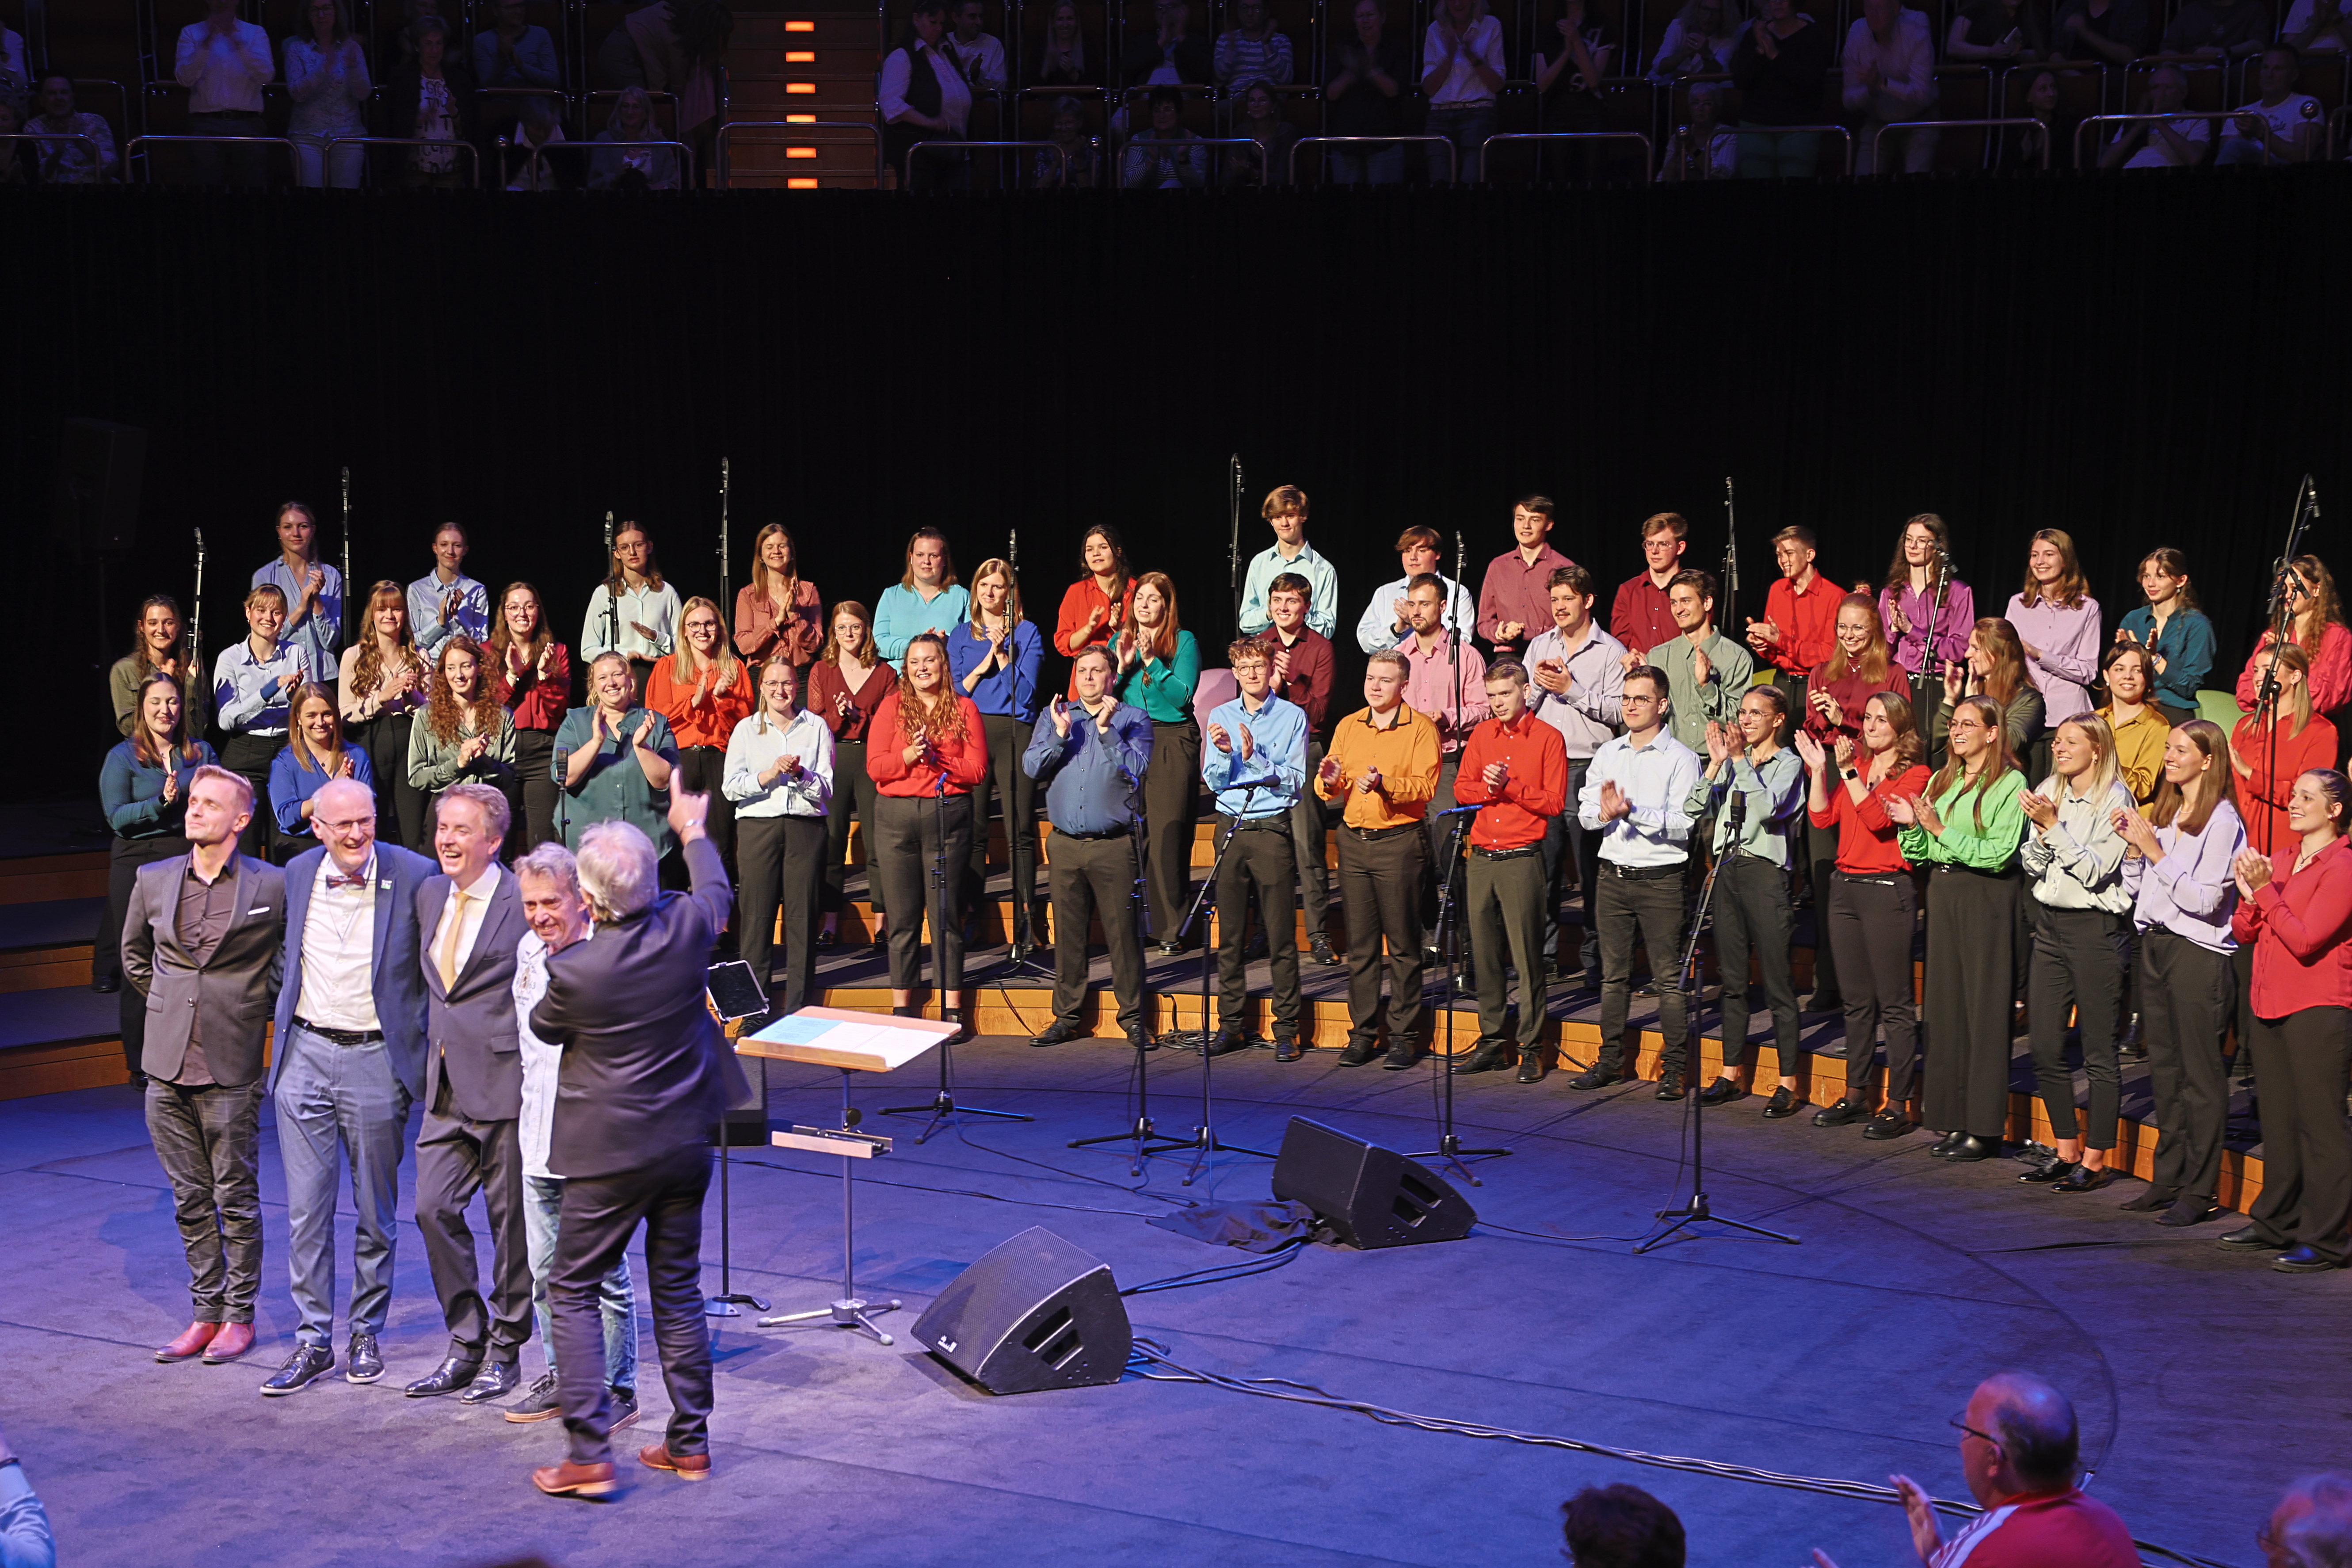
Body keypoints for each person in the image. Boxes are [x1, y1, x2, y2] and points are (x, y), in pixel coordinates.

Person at [526, 788, 747, 1497]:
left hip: (609, 1154)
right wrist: (691, 826)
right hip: (685, 1140)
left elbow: (544, 1027)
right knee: (677, 1286)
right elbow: (713, 887)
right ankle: (690, 1441)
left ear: (587, 898)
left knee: (572, 1284)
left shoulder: (576, 972)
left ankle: (589, 1451)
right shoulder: (685, 923)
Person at [256, 777, 434, 1396]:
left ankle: (366, 1328)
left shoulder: (415, 872)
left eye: (366, 820)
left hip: (374, 1055)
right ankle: (313, 1339)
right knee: (306, 1209)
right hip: (304, 1050)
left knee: (374, 1208)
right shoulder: (299, 871)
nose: (357, 833)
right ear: (318, 829)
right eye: (344, 825)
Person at [122, 765, 286, 1367]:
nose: (195, 811)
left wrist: (244, 1004)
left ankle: (239, 1315)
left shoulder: (271, 884)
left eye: (210, 804)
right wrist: (169, 1002)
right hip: (166, 1064)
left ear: (240, 819)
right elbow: (135, 956)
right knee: (190, 1197)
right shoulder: (154, 877)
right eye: (193, 801)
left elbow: (285, 960)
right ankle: (204, 1310)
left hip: (230, 1059)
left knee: (236, 1196)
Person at [501, 843, 641, 1431]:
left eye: (550, 900)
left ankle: (618, 1387)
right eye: (530, 902)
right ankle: (563, 1375)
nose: (539, 913)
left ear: (580, 896)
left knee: (603, 1272)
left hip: (596, 1143)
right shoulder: (528, 949)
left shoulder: (611, 954)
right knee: (545, 1270)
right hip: (538, 1136)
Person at [408, 782, 532, 1401]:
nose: (447, 839)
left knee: (509, 1224)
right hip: (445, 1083)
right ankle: (466, 1338)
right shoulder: (431, 892)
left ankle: (507, 1347)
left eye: (460, 829)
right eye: (442, 828)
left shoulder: (519, 899)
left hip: (506, 1081)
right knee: (433, 1207)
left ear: (493, 839)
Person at [2114, 720, 2243, 1223]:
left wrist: (2154, 853)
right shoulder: (2168, 810)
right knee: (2164, 1071)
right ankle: (2165, 1178)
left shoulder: (2223, 819)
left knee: (2200, 1078)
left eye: (2179, 749)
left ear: (2207, 760)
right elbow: (2138, 891)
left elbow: (2206, 901)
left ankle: (2198, 1188)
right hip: (2157, 946)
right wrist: (2132, 849)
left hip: (2198, 955)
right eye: (2166, 748)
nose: (2168, 756)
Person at [1888, 695, 2026, 1164]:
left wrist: (1940, 829)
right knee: (1946, 1008)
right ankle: (1951, 1117)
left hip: (1985, 895)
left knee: (1982, 1010)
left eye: (1968, 724)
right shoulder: (1944, 778)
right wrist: (1912, 826)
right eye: (1954, 724)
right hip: (1944, 892)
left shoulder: (2010, 783)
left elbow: (1999, 851)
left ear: (1992, 732)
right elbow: (1923, 849)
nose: (1957, 730)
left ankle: (1983, 1128)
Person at [2224, 768, 2352, 1270]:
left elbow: (2305, 939)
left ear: (2334, 809)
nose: (2293, 803)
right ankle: (2275, 1221)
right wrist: (2250, 895)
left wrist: (2265, 895)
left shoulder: (2341, 866)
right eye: (2293, 795)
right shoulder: (2277, 860)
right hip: (2268, 1001)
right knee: (2277, 1120)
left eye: (2305, 796)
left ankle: (2325, 1239)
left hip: (2317, 1005)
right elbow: (2243, 930)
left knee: (2320, 1124)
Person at [1811, 1373, 2136, 1568]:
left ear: (1994, 1458)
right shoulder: (2109, 1524)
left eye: (1966, 1430)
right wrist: (1942, 1557)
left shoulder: (1986, 1547)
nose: (1960, 1442)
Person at [1794, 691, 1931, 1133]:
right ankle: (1855, 1094)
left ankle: (1898, 1102)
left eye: (1880, 720)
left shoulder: (1914, 773)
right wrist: (1818, 771)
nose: (1869, 726)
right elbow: (1821, 818)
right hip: (1844, 887)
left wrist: (1848, 770)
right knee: (1855, 1003)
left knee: (1893, 1002)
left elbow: (1877, 821)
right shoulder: (1860, 768)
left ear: (1899, 728)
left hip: (1885, 889)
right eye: (1867, 718)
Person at [2015, 715, 2135, 1192]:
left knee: (2099, 1052)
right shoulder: (2051, 786)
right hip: (2050, 928)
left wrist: (2052, 827)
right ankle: (2064, 1146)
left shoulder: (2115, 801)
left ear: (2096, 749)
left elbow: (2094, 872)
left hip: (2095, 931)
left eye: (2069, 742)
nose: (2058, 748)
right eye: (2057, 741)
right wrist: (2042, 836)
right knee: (2043, 1045)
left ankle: (2094, 1157)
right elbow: (2029, 860)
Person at [1571, 666, 1699, 1095]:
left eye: (1639, 699)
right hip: (1613, 875)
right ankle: (1610, 1061)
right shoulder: (1609, 753)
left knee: (1667, 978)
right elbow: (1587, 809)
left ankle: (1675, 1070)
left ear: (1662, 704)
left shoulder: (1682, 758)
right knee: (1613, 976)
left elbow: (1684, 824)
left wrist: (1632, 813)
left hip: (1661, 880)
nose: (1629, 706)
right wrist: (1604, 814)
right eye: (1625, 698)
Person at [1024, 646, 1157, 1050]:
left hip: (1113, 846)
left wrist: (1105, 730)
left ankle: (1134, 1018)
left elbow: (1137, 769)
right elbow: (1032, 767)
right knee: (1068, 935)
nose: (1088, 677)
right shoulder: (1055, 716)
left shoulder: (1134, 718)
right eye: (1081, 670)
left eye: (1097, 670)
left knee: (1123, 935)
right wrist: (1060, 735)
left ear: (1111, 677)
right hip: (1064, 844)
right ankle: (1066, 1017)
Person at [1444, 661, 1570, 1080]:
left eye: (1505, 694)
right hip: (1481, 857)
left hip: (1521, 857)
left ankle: (1532, 1046)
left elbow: (1554, 803)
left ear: (1525, 691)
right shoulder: (1481, 735)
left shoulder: (1549, 738)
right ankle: (1494, 1041)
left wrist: (1509, 787)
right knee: (1484, 955)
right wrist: (1487, 788)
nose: (1497, 702)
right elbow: (1462, 788)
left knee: (1527, 957)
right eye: (1492, 695)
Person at [1689, 687, 1809, 1113]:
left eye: (1757, 713)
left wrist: (1739, 762)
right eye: (1742, 712)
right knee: (1733, 981)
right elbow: (1692, 809)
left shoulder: (1789, 764)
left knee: (1777, 984)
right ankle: (1730, 1072)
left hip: (1764, 873)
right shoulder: (1732, 764)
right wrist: (1717, 762)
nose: (1746, 719)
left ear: (1778, 720)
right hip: (1727, 869)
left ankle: (1788, 1082)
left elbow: (1763, 811)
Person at [1317, 650, 1439, 1067]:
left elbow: (1425, 786)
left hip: (1399, 843)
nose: (1374, 686)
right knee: (1362, 946)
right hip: (1353, 841)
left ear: (1403, 685)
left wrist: (1386, 785)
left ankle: (1404, 1035)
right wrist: (1328, 781)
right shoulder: (1349, 725)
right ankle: (1363, 1033)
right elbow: (1329, 783)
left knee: (1403, 945)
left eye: (1385, 680)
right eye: (1371, 677)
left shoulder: (1420, 728)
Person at [867, 632, 988, 1035]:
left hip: (947, 815)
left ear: (943, 665)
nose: (922, 667)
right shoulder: (891, 708)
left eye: (930, 660)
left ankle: (952, 1009)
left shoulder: (965, 709)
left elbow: (977, 772)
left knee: (946, 917)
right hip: (896, 817)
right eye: (914, 661)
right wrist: (909, 755)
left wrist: (940, 758)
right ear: (906, 668)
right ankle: (903, 1009)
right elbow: (876, 768)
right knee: (902, 920)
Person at [100, 673, 220, 1068]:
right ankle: (139, 1061)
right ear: (142, 709)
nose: (165, 710)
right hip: (138, 858)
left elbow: (221, 798)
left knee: (190, 961)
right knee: (141, 961)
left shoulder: (200, 753)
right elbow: (117, 818)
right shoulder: (122, 757)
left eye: (171, 702)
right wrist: (160, 803)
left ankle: (190, 1051)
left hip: (188, 858)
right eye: (155, 702)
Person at [1799, 595, 1910, 1013]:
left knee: (1865, 876)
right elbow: (1812, 727)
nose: (1848, 636)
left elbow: (1898, 732)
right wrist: (1824, 718)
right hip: (1828, 769)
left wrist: (1844, 719)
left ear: (1876, 630)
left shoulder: (1893, 674)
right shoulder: (1821, 672)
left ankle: (1876, 988)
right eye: (1842, 628)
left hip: (1870, 772)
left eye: (1858, 628)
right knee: (1827, 876)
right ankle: (1829, 981)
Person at [1200, 639, 1310, 1057]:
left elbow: (1295, 783)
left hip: (1270, 829)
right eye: (1243, 666)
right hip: (1231, 825)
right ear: (1235, 670)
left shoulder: (1291, 717)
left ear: (1270, 669)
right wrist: (1228, 754)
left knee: (1280, 935)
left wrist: (1254, 758)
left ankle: (1286, 1030)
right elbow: (1213, 780)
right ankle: (1231, 1026)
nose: (1250, 673)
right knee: (1229, 935)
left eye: (1258, 665)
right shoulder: (1221, 715)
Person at [1525, 564, 1626, 984]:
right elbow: (1522, 707)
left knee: (1589, 869)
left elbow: (1621, 711)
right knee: (1543, 867)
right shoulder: (1538, 645)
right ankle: (1545, 955)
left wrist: (1571, 689)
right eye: (1554, 600)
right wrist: (1536, 689)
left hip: (1589, 765)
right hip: (1543, 767)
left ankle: (1594, 957)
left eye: (1568, 599)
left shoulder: (1611, 652)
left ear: (1587, 601)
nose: (1560, 607)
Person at [723, 662, 834, 1021]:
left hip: (805, 828)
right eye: (771, 683)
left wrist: (801, 774)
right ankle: (752, 1013)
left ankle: (801, 1011)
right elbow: (730, 787)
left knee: (802, 919)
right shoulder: (745, 729)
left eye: (786, 683)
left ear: (796, 686)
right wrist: (767, 774)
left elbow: (827, 788)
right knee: (756, 921)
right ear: (762, 688)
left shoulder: (816, 726)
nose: (779, 690)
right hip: (758, 827)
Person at [949, 559, 1045, 956]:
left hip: (1014, 732)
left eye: (998, 587)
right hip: (972, 731)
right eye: (983, 585)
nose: (990, 593)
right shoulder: (959, 635)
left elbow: (1025, 696)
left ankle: (1027, 920)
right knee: (971, 829)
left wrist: (1003, 652)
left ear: (1010, 594)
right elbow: (954, 693)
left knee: (1019, 829)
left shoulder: (1027, 632)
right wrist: (983, 660)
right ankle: (973, 914)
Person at [1399, 573, 1490, 937]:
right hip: (1406, 765)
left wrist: (1447, 718)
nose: (1417, 611)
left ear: (1442, 608)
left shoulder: (1464, 655)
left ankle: (1471, 943)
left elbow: (1484, 709)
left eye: (1424, 604)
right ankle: (1424, 941)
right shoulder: (1398, 657)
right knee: (1410, 856)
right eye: (1412, 604)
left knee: (1447, 851)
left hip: (1448, 763)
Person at [1116, 572, 1202, 953]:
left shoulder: (1183, 641)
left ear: (1166, 606)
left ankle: (1172, 927)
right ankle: (1139, 921)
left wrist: (1151, 659)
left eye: (1153, 599)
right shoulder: (1119, 641)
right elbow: (1103, 693)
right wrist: (1122, 666)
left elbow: (1182, 696)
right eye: (1140, 598)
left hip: (1171, 738)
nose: (1144, 605)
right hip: (1129, 737)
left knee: (1168, 832)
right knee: (1134, 832)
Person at [1258, 572, 1337, 965]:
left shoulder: (1320, 648)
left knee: (1307, 843)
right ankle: (1265, 931)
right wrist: (1268, 685)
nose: (1283, 608)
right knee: (1264, 841)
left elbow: (1320, 711)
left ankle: (1318, 933)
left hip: (1305, 749)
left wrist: (1292, 681)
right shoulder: (1260, 645)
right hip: (1264, 751)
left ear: (1305, 606)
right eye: (1277, 600)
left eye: (1291, 601)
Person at [647, 597, 754, 875]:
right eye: (694, 624)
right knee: (676, 848)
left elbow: (746, 725)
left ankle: (723, 919)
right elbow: (656, 720)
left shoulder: (735, 668)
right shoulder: (667, 667)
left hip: (720, 760)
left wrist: (720, 698)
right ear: (683, 630)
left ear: (719, 628)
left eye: (709, 624)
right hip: (679, 760)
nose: (702, 631)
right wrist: (694, 703)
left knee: (721, 849)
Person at [809, 602, 892, 945]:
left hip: (872, 757)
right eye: (842, 628)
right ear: (833, 631)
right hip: (835, 756)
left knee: (877, 843)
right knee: (832, 841)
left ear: (866, 629)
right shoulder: (822, 670)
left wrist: (858, 714)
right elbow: (812, 724)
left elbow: (893, 722)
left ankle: (882, 924)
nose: (849, 634)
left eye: (855, 627)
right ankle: (829, 924)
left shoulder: (885, 673)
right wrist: (837, 715)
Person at [215, 584, 316, 861]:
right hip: (246, 752)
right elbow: (226, 720)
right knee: (244, 844)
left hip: (287, 749)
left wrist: (297, 698)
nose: (268, 618)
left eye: (276, 612)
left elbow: (312, 709)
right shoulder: (230, 658)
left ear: (285, 617)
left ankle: (285, 903)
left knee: (286, 842)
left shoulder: (296, 654)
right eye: (261, 610)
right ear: (248, 613)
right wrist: (268, 691)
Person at [556, 652, 680, 865]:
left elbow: (665, 781)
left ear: (630, 680)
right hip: (589, 848)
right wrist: (596, 741)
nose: (611, 683)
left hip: (647, 846)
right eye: (603, 678)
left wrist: (641, 747)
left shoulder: (657, 722)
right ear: (593, 686)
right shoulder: (574, 721)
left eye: (617, 675)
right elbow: (563, 776)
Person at [409, 634, 522, 854]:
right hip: (444, 814)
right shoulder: (425, 717)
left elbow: (509, 778)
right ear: (443, 673)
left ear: (478, 668)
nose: (459, 675)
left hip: (486, 816)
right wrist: (458, 763)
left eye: (465, 667)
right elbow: (416, 777)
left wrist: (485, 762)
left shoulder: (502, 716)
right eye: (451, 668)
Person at [2005, 528, 2102, 781]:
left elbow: (2089, 671)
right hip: (2026, 716)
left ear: (2066, 560)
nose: (2040, 562)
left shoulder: (2088, 609)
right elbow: (2005, 661)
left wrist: (2039, 654)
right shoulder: (2018, 605)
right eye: (2035, 555)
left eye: (2049, 554)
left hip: (2066, 715)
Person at [340, 580, 430, 854]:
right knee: (371, 826)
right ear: (372, 614)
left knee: (413, 832)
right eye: (382, 609)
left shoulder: (419, 656)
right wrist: (381, 697)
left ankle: (417, 892)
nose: (390, 616)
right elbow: (344, 714)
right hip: (369, 743)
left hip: (410, 745)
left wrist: (411, 699)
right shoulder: (354, 656)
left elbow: (433, 714)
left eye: (397, 609)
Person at [488, 582, 572, 854]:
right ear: (504, 612)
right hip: (502, 751)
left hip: (543, 749)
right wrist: (512, 675)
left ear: (539, 611)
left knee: (542, 837)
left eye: (529, 606)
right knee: (501, 835)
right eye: (513, 607)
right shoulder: (489, 651)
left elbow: (559, 710)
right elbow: (490, 706)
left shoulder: (557, 651)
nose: (521, 613)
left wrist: (545, 676)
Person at [2234, 641, 2337, 855]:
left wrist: (2249, 774)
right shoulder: (2245, 726)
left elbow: (2309, 798)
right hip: (2232, 842)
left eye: (2267, 670)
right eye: (2256, 670)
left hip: (2278, 849)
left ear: (2295, 676)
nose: (2258, 677)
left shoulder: (2320, 732)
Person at [1881, 512, 1974, 740]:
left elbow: (1959, 649)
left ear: (1938, 546)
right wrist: (1894, 632)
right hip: (1898, 684)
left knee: (1932, 751)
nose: (1912, 546)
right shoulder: (1891, 593)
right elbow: (1880, 653)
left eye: (1922, 541)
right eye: (1909, 539)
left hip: (1938, 687)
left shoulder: (1958, 592)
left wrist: (1911, 631)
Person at [2234, 555, 2351, 732]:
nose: (2287, 595)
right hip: (2272, 728)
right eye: (2283, 588)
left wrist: (2291, 655)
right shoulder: (2273, 635)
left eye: (2294, 588)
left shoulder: (2337, 637)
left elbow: (2330, 697)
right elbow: (2245, 691)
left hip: (2314, 730)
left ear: (2317, 590)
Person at [269, 683, 377, 863]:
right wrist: (331, 790)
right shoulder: (285, 762)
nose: (320, 723)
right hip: (302, 848)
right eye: (311, 716)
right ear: (298, 719)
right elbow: (287, 817)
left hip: (348, 844)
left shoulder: (356, 755)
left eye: (327, 714)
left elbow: (368, 807)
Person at [1647, 569, 1752, 755]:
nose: (1678, 610)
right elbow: (1654, 719)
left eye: (1686, 601)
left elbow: (1738, 722)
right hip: (1672, 762)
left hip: (1721, 766)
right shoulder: (1658, 657)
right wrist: (1642, 686)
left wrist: (1706, 686)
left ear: (1707, 603)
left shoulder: (1737, 658)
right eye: (1674, 603)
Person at [175, 0, 275, 187]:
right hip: (205, 126)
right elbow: (184, 79)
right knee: (206, 193)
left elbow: (266, 76)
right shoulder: (191, 33)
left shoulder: (255, 33)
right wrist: (207, 42)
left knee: (254, 191)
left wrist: (238, 43)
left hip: (248, 125)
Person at [254, 501, 343, 705]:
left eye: (302, 526)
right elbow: (264, 634)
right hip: (282, 675)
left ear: (312, 531)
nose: (296, 533)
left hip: (323, 676)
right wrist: (302, 607)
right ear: (279, 531)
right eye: (288, 527)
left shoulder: (330, 575)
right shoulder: (265, 576)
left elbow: (331, 641)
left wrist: (317, 601)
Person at [581, 520, 682, 700]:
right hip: (620, 679)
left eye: (638, 545)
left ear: (649, 547)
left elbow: (684, 647)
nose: (632, 552)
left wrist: (656, 637)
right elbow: (588, 650)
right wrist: (625, 655)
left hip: (661, 676)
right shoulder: (604, 594)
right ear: (617, 553)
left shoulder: (666, 593)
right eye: (625, 548)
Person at [1731, 0, 1830, 177]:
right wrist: (1761, 51)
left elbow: (1810, 81)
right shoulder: (1753, 34)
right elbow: (1740, 80)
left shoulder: (1814, 35)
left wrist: (1775, 55)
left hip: (1800, 127)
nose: (1777, 2)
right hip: (1756, 125)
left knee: (1793, 195)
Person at [2114, 547, 2213, 723]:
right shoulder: (2133, 620)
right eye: (2146, 576)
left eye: (2160, 577)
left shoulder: (2197, 625)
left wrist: (2154, 659)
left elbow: (2189, 687)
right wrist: (2123, 657)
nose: (2151, 584)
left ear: (2181, 581)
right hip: (2132, 704)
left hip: (2170, 709)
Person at [881, 0, 973, 189]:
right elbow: (890, 104)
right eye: (933, 22)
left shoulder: (946, 51)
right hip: (922, 155)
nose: (939, 29)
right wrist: (929, 122)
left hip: (954, 151)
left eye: (942, 23)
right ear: (916, 19)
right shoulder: (902, 57)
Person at [1748, 525, 1837, 711]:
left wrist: (1780, 640)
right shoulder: (1777, 590)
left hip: (1817, 687)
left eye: (1789, 553)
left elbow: (1830, 654)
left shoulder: (1834, 596)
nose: (1782, 561)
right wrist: (1761, 644)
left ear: (1810, 555)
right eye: (1779, 555)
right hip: (1782, 684)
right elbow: (1773, 652)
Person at [385, 16, 482, 187]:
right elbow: (391, 123)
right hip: (414, 169)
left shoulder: (459, 79)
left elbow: (471, 125)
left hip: (452, 169)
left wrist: (455, 114)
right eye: (428, 43)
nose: (434, 50)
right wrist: (416, 119)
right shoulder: (401, 77)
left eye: (439, 43)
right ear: (417, 46)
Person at [1477, 496, 1576, 662]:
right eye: (1520, 519)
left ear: (1549, 524)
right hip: (1508, 658)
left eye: (1535, 520)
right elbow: (1484, 622)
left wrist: (1526, 634)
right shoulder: (1498, 566)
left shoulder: (1563, 568)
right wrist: (1501, 632)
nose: (1526, 526)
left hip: (1552, 655)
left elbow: (1573, 621)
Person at [1843, 0, 1937, 173]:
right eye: (1870, 9)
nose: (1874, 15)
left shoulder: (1916, 33)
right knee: (1861, 184)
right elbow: (1848, 101)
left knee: (1917, 183)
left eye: (1880, 9)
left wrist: (1883, 83)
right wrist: (1870, 90)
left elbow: (1921, 95)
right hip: (1878, 121)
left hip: (1920, 120)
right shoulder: (1857, 34)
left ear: (1896, 9)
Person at [1326, 0, 1413, 185]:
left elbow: (1396, 91)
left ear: (1383, 18)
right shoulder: (1342, 51)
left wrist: (1369, 70)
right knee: (1348, 208)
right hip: (1346, 143)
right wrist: (1349, 75)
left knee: (1384, 208)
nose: (1366, 20)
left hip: (1385, 144)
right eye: (1361, 16)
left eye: (1370, 15)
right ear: (1355, 20)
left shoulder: (1397, 51)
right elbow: (1329, 94)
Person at [1237, 485, 1339, 640]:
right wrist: (1270, 613)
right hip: (1264, 652)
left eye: (1290, 516)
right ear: (1271, 521)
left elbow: (1327, 629)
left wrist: (1298, 613)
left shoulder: (1323, 569)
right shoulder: (1259, 563)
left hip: (1304, 653)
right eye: (1278, 517)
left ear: (1303, 517)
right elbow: (1245, 622)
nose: (1284, 523)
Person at [286, 0, 369, 187]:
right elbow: (297, 93)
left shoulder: (352, 48)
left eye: (326, 8)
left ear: (337, 12)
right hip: (307, 137)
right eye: (315, 10)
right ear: (308, 16)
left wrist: (354, 69)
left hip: (347, 136)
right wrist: (324, 67)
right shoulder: (297, 49)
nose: (321, 15)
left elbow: (364, 94)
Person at [1939, 617, 2046, 763]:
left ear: (1998, 653)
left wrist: (1975, 708)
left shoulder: (2027, 699)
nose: (1967, 655)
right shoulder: (1973, 690)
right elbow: (1939, 747)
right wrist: (1950, 700)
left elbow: (2008, 743)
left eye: (1976, 649)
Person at [1421, 0, 1504, 179]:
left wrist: (1472, 56)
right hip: (1439, 118)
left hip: (1478, 114)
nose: (1458, 3)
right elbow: (1429, 88)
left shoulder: (1491, 25)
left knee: (1470, 185)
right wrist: (1450, 57)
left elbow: (1497, 85)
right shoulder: (1434, 29)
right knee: (1438, 186)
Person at [1357, 526, 1474, 654]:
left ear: (1437, 554)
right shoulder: (1385, 593)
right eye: (1407, 551)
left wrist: (1417, 621)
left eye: (1421, 551)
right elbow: (1365, 641)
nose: (1413, 557)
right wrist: (1396, 630)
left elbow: (1462, 642)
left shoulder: (1457, 592)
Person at [110, 595, 210, 742]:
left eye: (169, 623)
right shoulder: (124, 669)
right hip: (143, 756)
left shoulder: (190, 667)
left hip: (183, 754)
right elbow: (128, 727)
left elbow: (196, 731)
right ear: (142, 627)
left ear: (178, 626)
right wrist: (160, 685)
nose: (161, 630)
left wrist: (191, 685)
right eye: (153, 623)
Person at [732, 523, 824, 680]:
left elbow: (815, 644)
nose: (776, 551)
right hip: (761, 677)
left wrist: (794, 616)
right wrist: (776, 622)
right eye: (770, 547)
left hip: (801, 678)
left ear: (791, 552)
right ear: (761, 555)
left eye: (782, 546)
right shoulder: (748, 595)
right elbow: (744, 646)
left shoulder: (809, 591)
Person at [873, 527, 971, 664]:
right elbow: (879, 642)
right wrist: (918, 646)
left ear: (944, 560)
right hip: (900, 680)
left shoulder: (961, 596)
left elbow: (972, 643)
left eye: (934, 556)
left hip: (946, 679)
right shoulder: (891, 596)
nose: (927, 561)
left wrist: (945, 642)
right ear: (911, 558)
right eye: (920, 555)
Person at [1056, 524, 1134, 692]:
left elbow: (1145, 641)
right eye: (1090, 549)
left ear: (1118, 552)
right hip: (1087, 685)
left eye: (1103, 547)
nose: (1096, 553)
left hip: (1128, 682)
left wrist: (1119, 629)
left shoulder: (1136, 591)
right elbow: (1064, 644)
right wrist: (1089, 628)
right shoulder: (1076, 592)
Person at [2219, 45, 2323, 163]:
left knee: (2237, 145)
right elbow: (2226, 153)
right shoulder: (2241, 112)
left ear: (2294, 75)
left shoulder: (2306, 105)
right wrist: (2245, 136)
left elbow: (2302, 156)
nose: (2269, 75)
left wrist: (2260, 132)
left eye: (2278, 69)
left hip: (2284, 170)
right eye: (2265, 67)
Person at [2097, 642, 2169, 804]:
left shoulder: (2157, 726)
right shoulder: (2094, 720)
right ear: (2107, 676)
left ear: (2148, 678)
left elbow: (2143, 788)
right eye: (2119, 669)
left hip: (2128, 816)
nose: (2128, 676)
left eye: (2137, 670)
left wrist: (2104, 762)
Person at [2100, 64, 2211, 169]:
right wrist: (2136, 129)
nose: (2160, 93)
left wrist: (2159, 121)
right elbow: (2105, 164)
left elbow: (2194, 159)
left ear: (2183, 93)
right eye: (2155, 87)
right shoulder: (2135, 120)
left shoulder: (2196, 120)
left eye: (2168, 87)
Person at [1609, 511, 1687, 659]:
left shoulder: (1693, 590)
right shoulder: (1628, 590)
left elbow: (1699, 642)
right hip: (1638, 675)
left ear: (1680, 547)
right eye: (1649, 544)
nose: (1654, 551)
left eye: (1663, 544)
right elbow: (1619, 645)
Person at [408, 522, 489, 659]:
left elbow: (482, 643)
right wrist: (440, 621)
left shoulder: (476, 590)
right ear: (435, 548)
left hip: (464, 669)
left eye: (457, 546)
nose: (450, 551)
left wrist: (459, 617)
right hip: (429, 670)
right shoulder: (417, 590)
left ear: (465, 550)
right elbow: (413, 643)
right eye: (444, 545)